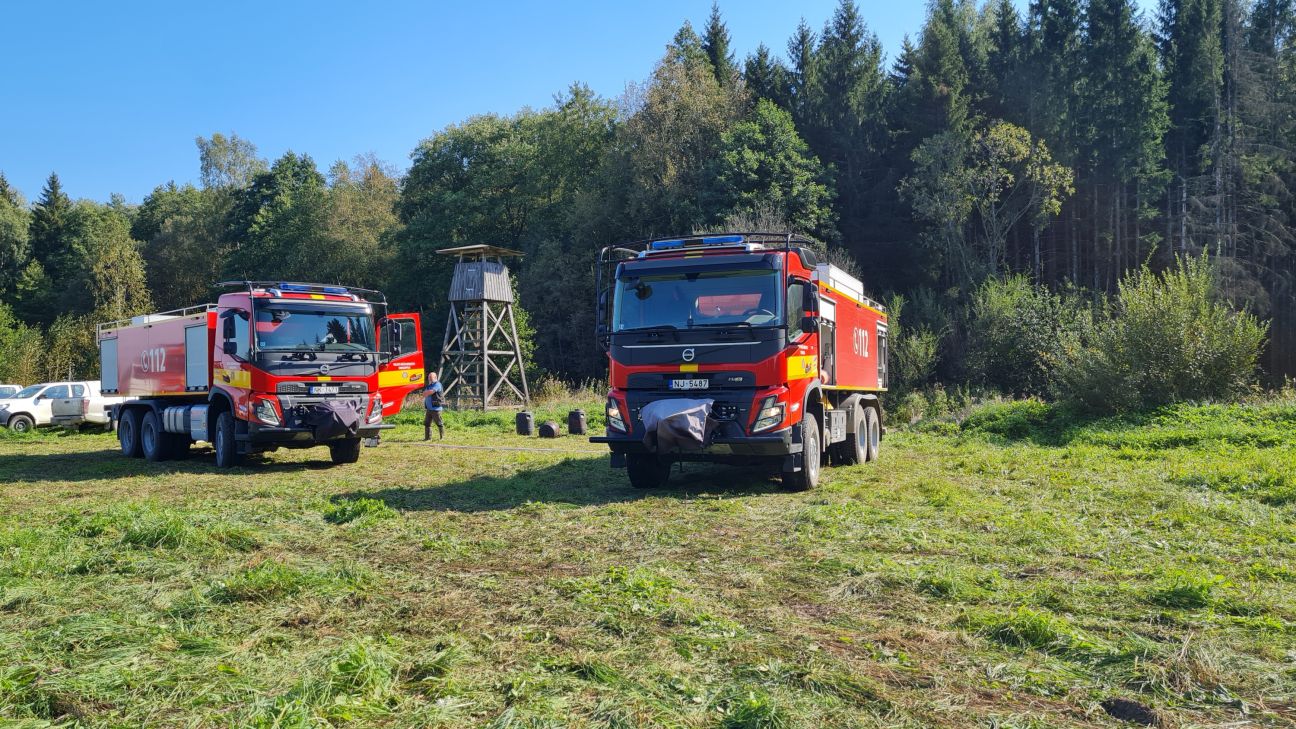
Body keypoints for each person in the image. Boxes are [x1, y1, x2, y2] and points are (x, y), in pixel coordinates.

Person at [423, 372, 445, 440]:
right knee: (427, 424)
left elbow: (431, 392)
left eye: (431, 377)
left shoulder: (437, 384)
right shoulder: (430, 385)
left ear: (435, 377)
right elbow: (424, 394)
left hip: (436, 408)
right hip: (429, 408)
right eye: (429, 377)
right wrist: (426, 392)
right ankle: (428, 438)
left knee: (439, 423)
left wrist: (427, 392)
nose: (429, 378)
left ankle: (442, 437)